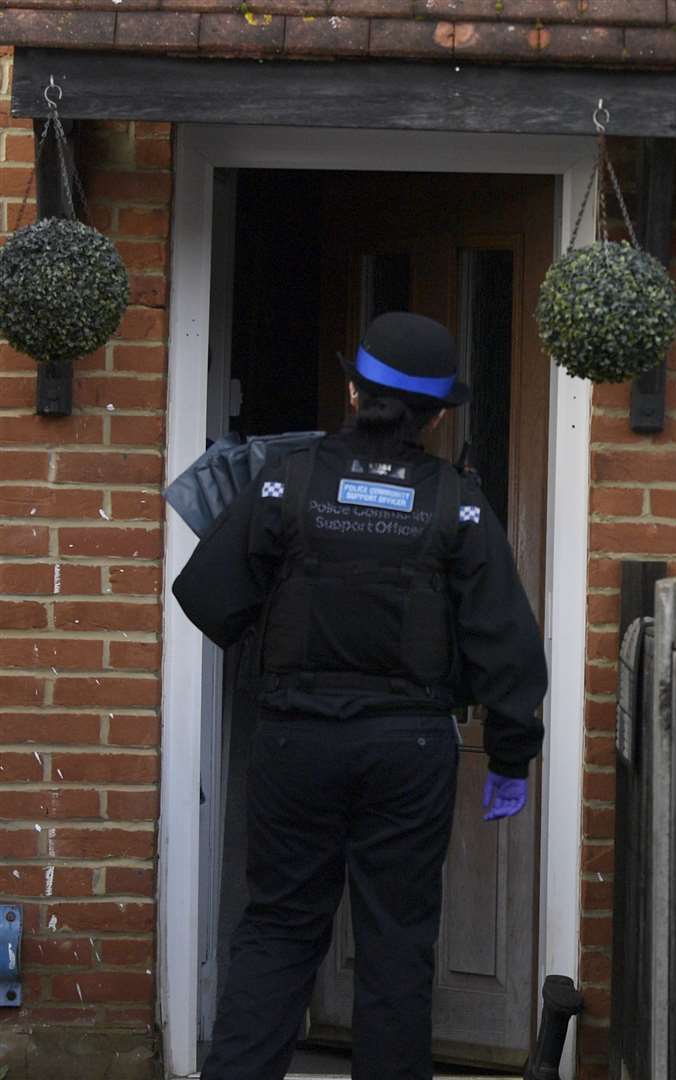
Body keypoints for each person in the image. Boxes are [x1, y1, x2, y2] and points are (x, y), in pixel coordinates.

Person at [174, 312, 548, 1080]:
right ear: (438, 415)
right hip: (408, 751)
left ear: (352, 391)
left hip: (294, 741)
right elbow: (507, 647)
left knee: (278, 931)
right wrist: (509, 755)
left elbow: (208, 596)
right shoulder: (460, 503)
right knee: (396, 946)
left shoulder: (287, 480)